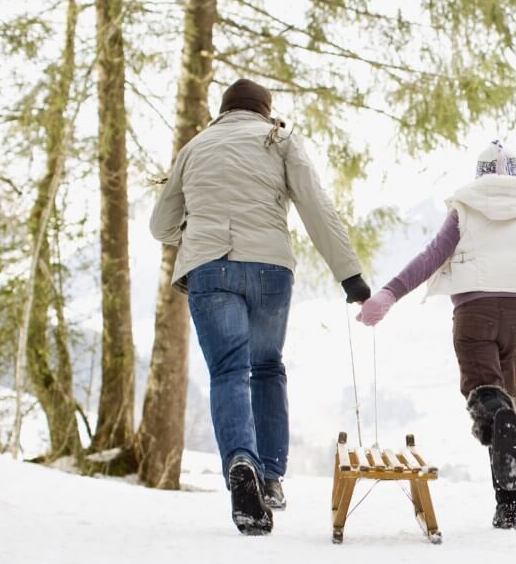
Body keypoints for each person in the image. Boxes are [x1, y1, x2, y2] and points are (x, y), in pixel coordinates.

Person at [150, 78, 370, 536]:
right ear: (265, 111)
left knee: (229, 371)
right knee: (267, 367)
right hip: (270, 268)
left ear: (224, 111)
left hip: (210, 268)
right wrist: (350, 275)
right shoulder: (280, 139)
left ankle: (241, 464)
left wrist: (195, 236)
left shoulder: (195, 146)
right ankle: (269, 476)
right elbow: (316, 206)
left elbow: (160, 224)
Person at [356, 141, 516, 529]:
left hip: (473, 313)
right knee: (509, 400)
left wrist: (389, 294)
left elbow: (432, 256)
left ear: (479, 172)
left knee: (485, 394)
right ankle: (511, 506)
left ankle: (497, 420)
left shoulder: (464, 208)